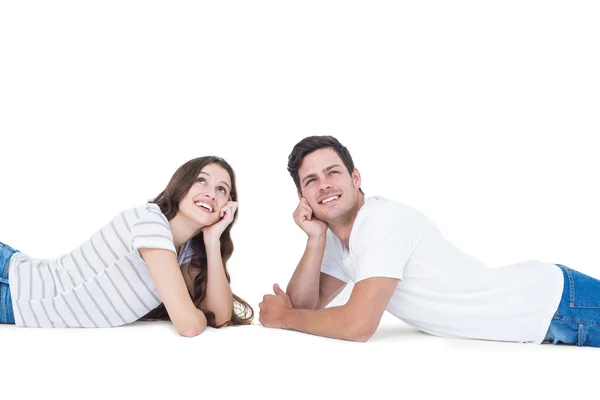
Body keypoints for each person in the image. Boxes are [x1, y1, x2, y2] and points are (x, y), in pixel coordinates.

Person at [258, 135, 600, 347]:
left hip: (558, 304)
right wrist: (315, 240)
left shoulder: (381, 223)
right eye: (311, 181)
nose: (324, 185)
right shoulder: (338, 238)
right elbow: (305, 306)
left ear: (355, 177)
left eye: (333, 172)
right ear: (302, 196)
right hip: (547, 317)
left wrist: (285, 318)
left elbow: (358, 325)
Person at [0, 156, 253, 336]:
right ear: (181, 184)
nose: (211, 193)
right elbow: (189, 324)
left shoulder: (183, 252)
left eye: (222, 189)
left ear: (226, 208)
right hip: (14, 284)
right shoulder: (152, 223)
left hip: (17, 300)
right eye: (201, 181)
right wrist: (189, 312)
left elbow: (219, 317)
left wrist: (212, 241)